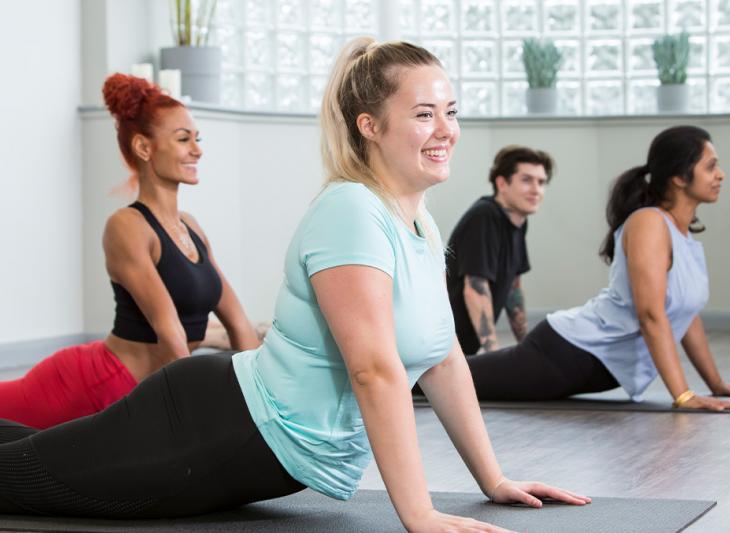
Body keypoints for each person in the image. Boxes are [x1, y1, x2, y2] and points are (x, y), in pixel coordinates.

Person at [0, 39, 590, 530]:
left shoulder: (418, 223)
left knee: (33, 456)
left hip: (239, 440)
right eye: (423, 113)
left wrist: (494, 479)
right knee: (19, 481)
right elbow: (373, 370)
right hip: (208, 426)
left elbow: (441, 360)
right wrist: (419, 514)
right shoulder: (352, 211)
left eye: (451, 111)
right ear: (370, 126)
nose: (445, 129)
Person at [0, 73, 259, 429]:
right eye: (184, 139)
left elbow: (239, 323)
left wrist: (262, 405)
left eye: (197, 139)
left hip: (143, 387)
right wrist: (197, 426)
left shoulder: (191, 226)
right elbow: (169, 333)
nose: (197, 150)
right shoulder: (127, 226)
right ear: (144, 148)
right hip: (95, 383)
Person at [466, 125, 730, 411]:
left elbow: (685, 314)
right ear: (680, 176)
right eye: (710, 166)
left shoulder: (682, 232)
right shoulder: (649, 223)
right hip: (566, 352)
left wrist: (717, 385)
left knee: (450, 378)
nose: (720, 175)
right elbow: (651, 314)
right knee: (444, 381)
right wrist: (683, 396)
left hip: (586, 364)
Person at [446, 146, 553, 354]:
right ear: (502, 183)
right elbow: (475, 287)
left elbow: (513, 288)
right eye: (526, 180)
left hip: (463, 348)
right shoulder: (485, 216)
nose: (536, 189)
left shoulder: (518, 222)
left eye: (541, 182)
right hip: (446, 349)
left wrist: (527, 347)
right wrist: (492, 351)